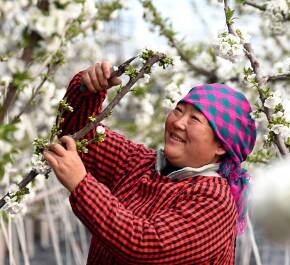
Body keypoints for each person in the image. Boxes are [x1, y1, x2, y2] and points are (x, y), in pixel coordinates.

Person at [43, 61, 256, 265]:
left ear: (221, 145)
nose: (178, 122)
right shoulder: (139, 163)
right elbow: (80, 137)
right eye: (179, 110)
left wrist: (82, 185)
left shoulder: (214, 201)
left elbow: (146, 246)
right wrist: (87, 90)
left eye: (195, 119)